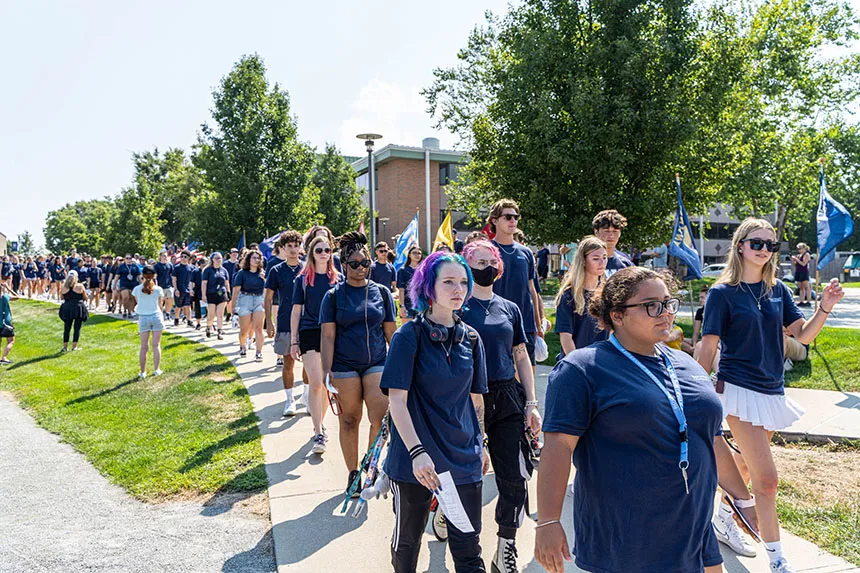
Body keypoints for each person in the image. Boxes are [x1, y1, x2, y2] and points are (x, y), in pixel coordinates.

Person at [535, 266, 750, 573]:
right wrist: (548, 521)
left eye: (668, 303)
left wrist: (744, 500)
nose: (665, 313)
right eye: (652, 306)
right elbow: (557, 448)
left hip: (694, 529)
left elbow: (710, 438)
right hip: (627, 539)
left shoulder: (685, 363)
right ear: (617, 315)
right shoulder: (582, 369)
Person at [697, 218, 845, 573]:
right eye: (757, 243)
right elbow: (707, 346)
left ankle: (722, 520)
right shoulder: (723, 293)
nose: (764, 250)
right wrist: (692, 393)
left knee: (747, 465)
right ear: (740, 245)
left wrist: (824, 307)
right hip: (737, 389)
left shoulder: (778, 289)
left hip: (771, 392)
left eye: (770, 245)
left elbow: (803, 337)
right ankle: (778, 561)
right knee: (767, 480)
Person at [381, 251, 489, 573]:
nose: (458, 289)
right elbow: (396, 401)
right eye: (448, 282)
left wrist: (481, 444)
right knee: (407, 545)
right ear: (429, 287)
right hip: (416, 463)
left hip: (462, 460)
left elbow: (476, 400)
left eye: (462, 282)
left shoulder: (471, 338)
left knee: (469, 551)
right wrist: (417, 453)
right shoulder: (407, 337)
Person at [461, 240, 542, 572]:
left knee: (514, 476)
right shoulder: (456, 307)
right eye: (478, 262)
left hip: (507, 397)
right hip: (464, 400)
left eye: (490, 261)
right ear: (466, 267)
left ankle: (505, 545)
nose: (486, 267)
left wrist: (532, 403)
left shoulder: (510, 308)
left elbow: (520, 355)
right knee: (467, 475)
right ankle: (448, 514)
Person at [320, 232, 397, 493]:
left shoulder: (382, 293)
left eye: (365, 263)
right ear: (344, 265)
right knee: (350, 420)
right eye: (354, 264)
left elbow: (391, 332)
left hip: (377, 361)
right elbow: (328, 336)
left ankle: (370, 464)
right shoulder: (333, 296)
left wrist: (401, 364)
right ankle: (353, 475)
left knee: (380, 417)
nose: (361, 268)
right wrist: (326, 371)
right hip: (344, 365)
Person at [291, 235, 340, 454]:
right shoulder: (302, 279)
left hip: (332, 333)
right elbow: (296, 310)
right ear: (312, 253)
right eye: (319, 250)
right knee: (316, 383)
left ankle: (321, 424)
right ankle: (318, 431)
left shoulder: (337, 279)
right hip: (309, 330)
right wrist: (294, 340)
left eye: (327, 250)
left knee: (327, 383)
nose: (323, 254)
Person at [487, 199, 543, 366]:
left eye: (516, 217)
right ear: (494, 220)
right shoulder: (486, 250)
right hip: (495, 322)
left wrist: (538, 325)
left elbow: (532, 291)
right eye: (508, 217)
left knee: (526, 378)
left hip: (524, 324)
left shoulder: (526, 252)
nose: (513, 221)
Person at [265, 231, 305, 416]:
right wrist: (269, 322)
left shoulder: (307, 269)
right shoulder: (276, 270)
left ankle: (306, 395)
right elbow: (268, 298)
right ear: (282, 248)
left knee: (309, 363)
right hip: (284, 322)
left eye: (296, 245)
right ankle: (289, 400)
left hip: (307, 322)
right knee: (288, 363)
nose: (293, 249)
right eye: (289, 246)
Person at [554, 236, 608, 359]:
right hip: (575, 364)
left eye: (604, 258)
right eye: (596, 258)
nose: (602, 262)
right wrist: (578, 366)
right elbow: (566, 338)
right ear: (583, 261)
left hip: (602, 363)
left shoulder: (608, 292)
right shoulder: (568, 295)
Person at [232, 249, 267, 361]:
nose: (256, 260)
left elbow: (269, 289)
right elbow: (236, 290)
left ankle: (259, 352)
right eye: (254, 258)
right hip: (245, 299)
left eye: (258, 258)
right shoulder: (242, 273)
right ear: (248, 259)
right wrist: (233, 306)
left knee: (258, 328)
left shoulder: (262, 273)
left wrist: (265, 279)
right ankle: (242, 346)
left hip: (259, 299)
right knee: (244, 330)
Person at [132, 266, 165, 378]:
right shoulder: (158, 289)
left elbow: (138, 302)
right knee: (156, 345)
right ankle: (157, 369)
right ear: (154, 276)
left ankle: (142, 372)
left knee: (144, 347)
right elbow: (160, 305)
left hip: (143, 318)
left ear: (143, 275)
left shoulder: (136, 289)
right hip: (156, 316)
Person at [592, 209, 634, 277]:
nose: (611, 235)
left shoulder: (626, 263)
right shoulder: (586, 262)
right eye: (606, 231)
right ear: (596, 232)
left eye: (615, 231)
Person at [202, 252, 231, 339]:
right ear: (212, 260)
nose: (218, 260)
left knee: (220, 314)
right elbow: (204, 283)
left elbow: (226, 282)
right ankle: (208, 327)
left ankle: (220, 331)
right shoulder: (207, 270)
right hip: (211, 294)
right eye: (216, 258)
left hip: (222, 294)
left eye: (220, 258)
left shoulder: (224, 270)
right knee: (211, 315)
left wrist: (228, 293)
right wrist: (203, 295)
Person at [59, 270, 89, 352]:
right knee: (77, 328)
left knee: (67, 328)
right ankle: (74, 346)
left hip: (67, 307)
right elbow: (85, 297)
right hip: (78, 307)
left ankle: (65, 347)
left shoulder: (63, 287)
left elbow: (61, 297)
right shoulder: (80, 286)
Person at [396, 246, 423, 323]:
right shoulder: (403, 270)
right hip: (407, 305)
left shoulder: (423, 271)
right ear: (409, 255)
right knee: (407, 331)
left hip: (421, 305)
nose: (417, 255)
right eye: (414, 253)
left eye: (419, 253)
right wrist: (402, 306)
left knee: (421, 332)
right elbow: (401, 290)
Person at [172, 250, 194, 327]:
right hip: (179, 289)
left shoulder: (191, 267)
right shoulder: (176, 267)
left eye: (185, 257)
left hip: (188, 289)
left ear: (188, 258)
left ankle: (189, 320)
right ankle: (176, 319)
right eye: (182, 256)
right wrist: (176, 289)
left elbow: (192, 280)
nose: (183, 258)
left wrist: (191, 289)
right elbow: (174, 279)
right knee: (178, 306)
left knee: (188, 306)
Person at [117, 254, 141, 318]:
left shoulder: (135, 266)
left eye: (130, 258)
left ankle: (130, 311)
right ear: (125, 259)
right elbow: (117, 276)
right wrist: (114, 285)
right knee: (126, 297)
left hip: (133, 284)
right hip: (124, 284)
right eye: (127, 258)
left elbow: (139, 276)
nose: (128, 259)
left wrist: (141, 285)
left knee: (132, 298)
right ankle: (125, 310)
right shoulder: (121, 266)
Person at [0, 283, 19, 364]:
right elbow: (17, 297)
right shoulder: (5, 297)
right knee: (11, 340)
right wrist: (8, 288)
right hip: (6, 323)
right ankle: (4, 357)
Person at [154, 251, 175, 321]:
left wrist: (174, 285)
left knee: (170, 299)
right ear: (160, 257)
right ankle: (160, 314)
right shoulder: (157, 266)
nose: (165, 257)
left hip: (168, 285)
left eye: (166, 255)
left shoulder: (170, 265)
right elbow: (155, 277)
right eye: (163, 255)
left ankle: (168, 313)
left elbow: (172, 276)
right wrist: (156, 286)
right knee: (161, 301)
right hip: (160, 286)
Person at [190, 257, 207, 330]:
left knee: (209, 307)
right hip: (198, 291)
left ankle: (210, 323)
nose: (204, 265)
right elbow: (192, 281)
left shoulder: (208, 271)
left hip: (207, 291)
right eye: (202, 263)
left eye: (205, 263)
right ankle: (198, 323)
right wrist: (191, 289)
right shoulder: (195, 271)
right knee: (198, 308)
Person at [223, 248, 240, 318]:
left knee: (237, 299)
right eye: (233, 253)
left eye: (236, 253)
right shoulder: (225, 264)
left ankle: (235, 313)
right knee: (229, 299)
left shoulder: (239, 263)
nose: (234, 254)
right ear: (230, 254)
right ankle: (229, 313)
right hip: (228, 283)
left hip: (237, 283)